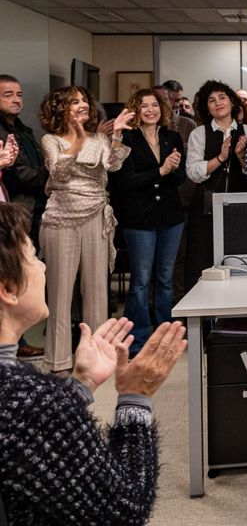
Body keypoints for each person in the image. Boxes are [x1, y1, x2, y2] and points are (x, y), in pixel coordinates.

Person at [0, 202, 187, 524]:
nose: (43, 267)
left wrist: (80, 385)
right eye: (33, 257)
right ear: (8, 289)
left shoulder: (30, 402)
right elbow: (123, 510)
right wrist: (135, 398)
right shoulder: (30, 401)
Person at [37, 86, 133, 374]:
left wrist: (115, 135)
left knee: (96, 293)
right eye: (74, 102)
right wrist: (77, 140)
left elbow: (113, 166)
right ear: (60, 109)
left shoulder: (99, 138)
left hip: (95, 216)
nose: (82, 105)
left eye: (84, 101)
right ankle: (58, 361)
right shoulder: (50, 140)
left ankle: (98, 356)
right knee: (60, 294)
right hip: (60, 219)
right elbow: (59, 173)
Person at [111, 88, 186, 356]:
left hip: (170, 217)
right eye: (144, 106)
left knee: (165, 278)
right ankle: (140, 339)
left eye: (155, 105)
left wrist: (173, 169)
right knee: (141, 280)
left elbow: (179, 180)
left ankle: (165, 334)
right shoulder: (127, 139)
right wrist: (161, 171)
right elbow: (124, 182)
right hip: (139, 219)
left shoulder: (172, 136)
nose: (150, 110)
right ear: (135, 110)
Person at [184, 80, 247, 289]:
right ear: (206, 107)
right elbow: (194, 172)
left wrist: (241, 157)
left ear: (232, 102)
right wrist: (221, 158)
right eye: (212, 100)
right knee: (203, 261)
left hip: (241, 205)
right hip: (206, 207)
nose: (218, 103)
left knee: (240, 260)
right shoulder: (199, 133)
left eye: (222, 98)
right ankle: (203, 318)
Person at [0, 75, 47, 250]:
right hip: (12, 211)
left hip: (33, 208)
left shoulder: (24, 129)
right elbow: (16, 176)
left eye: (19, 95)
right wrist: (50, 172)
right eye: (8, 95)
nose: (16, 100)